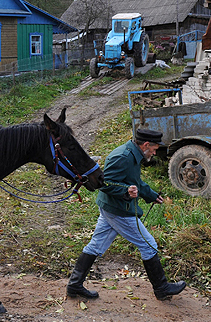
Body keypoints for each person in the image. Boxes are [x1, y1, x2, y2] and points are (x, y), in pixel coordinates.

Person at [66, 129, 186, 300]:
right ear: (145, 145)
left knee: (96, 245)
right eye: (154, 149)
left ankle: (74, 285)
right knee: (149, 245)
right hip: (118, 211)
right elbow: (103, 183)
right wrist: (125, 191)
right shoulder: (123, 157)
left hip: (112, 208)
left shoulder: (133, 155)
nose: (154, 152)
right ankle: (161, 288)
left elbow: (134, 181)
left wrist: (150, 195)